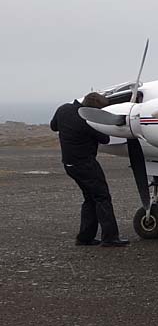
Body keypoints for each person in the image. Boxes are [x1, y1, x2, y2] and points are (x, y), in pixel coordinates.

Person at [50, 92, 129, 248]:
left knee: (90, 198)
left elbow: (54, 126)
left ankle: (85, 237)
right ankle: (110, 237)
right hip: (86, 165)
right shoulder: (88, 120)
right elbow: (105, 139)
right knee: (102, 197)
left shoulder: (63, 109)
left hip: (69, 164)